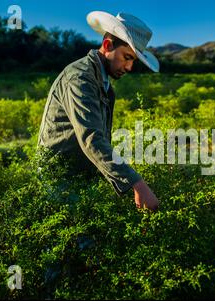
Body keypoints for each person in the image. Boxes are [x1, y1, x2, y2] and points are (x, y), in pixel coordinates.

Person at [37, 11, 160, 211]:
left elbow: (101, 140)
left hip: (81, 174)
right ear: (107, 46)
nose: (129, 67)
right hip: (58, 176)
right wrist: (137, 183)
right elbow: (92, 137)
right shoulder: (79, 78)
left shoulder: (105, 87)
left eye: (133, 61)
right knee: (78, 239)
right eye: (127, 57)